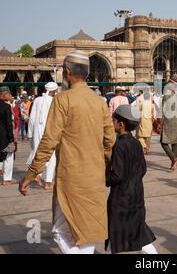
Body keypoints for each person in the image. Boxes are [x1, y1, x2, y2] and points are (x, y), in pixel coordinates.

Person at [19, 51, 116, 254]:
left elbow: (48, 142)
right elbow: (110, 142)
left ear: (67, 72)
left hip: (71, 177)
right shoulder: (100, 102)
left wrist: (32, 173)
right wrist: (106, 169)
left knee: (59, 231)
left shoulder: (63, 100)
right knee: (87, 231)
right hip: (95, 176)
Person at [105, 105, 157, 254]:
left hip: (121, 198)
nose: (112, 122)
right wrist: (133, 180)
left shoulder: (120, 145)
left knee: (117, 231)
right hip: (136, 193)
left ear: (121, 124)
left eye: (113, 119)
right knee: (137, 231)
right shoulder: (136, 143)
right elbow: (143, 169)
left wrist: (104, 179)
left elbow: (118, 175)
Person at [26, 82, 58, 190]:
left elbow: (32, 118)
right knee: (52, 156)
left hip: (37, 131)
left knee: (38, 153)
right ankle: (48, 182)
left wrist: (30, 133)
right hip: (51, 131)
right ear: (54, 91)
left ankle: (38, 175)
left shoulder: (37, 100)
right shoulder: (56, 101)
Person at [160, 74, 177, 172]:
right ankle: (173, 165)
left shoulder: (166, 95)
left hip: (168, 121)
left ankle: (173, 159)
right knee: (175, 143)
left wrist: (160, 122)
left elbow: (162, 110)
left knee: (163, 142)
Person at [136, 90, 156, 155]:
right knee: (148, 136)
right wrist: (152, 120)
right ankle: (147, 149)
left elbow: (138, 111)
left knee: (140, 135)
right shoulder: (152, 104)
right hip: (149, 119)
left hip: (142, 119)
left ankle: (144, 146)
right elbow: (154, 114)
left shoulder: (142, 103)